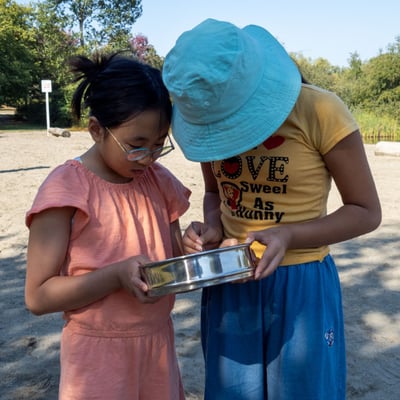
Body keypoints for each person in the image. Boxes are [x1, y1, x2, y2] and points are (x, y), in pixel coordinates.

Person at [162, 19, 382, 399]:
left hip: (301, 282)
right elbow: (215, 193)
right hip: (229, 281)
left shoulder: (320, 110)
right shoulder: (212, 120)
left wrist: (289, 235)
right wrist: (212, 226)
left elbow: (365, 210)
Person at [25, 52, 190, 400]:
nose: (148, 158)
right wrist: (114, 276)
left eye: (159, 145)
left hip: (158, 344)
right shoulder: (67, 190)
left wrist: (196, 242)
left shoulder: (159, 181)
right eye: (136, 146)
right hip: (98, 358)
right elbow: (38, 296)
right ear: (97, 130)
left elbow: (175, 261)